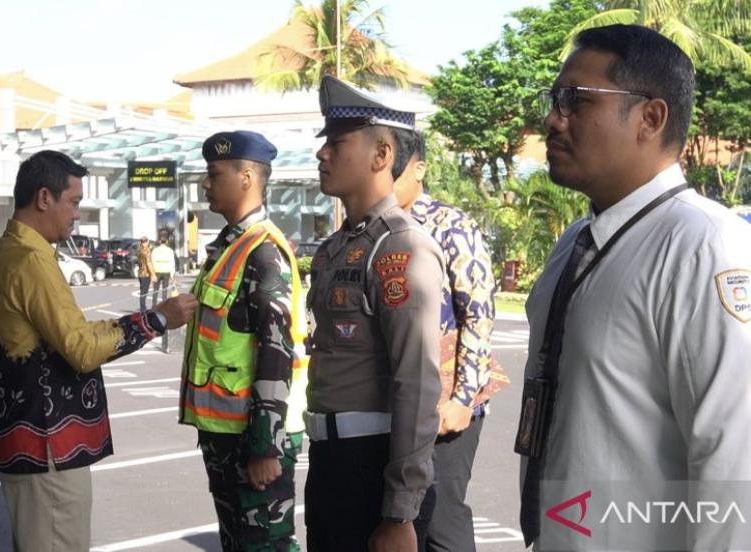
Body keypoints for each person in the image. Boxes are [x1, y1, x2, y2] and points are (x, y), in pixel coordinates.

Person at [517, 24, 751, 551]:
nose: (552, 120)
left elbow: (733, 461)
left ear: (650, 117)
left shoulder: (705, 246)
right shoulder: (577, 242)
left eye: (576, 100)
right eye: (555, 99)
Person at [0, 150, 198, 552]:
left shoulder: (15, 251)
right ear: (44, 198)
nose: (77, 214)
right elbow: (80, 348)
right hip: (46, 447)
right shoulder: (29, 259)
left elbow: (68, 332)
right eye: (74, 202)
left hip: (31, 444)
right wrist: (156, 320)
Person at [304, 76, 444, 552]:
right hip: (330, 460)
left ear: (381, 155)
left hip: (373, 467)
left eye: (337, 144)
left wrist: (400, 509)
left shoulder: (401, 247)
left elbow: (418, 384)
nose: (323, 154)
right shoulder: (335, 249)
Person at [179, 130, 308, 551]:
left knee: (265, 544)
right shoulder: (229, 247)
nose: (205, 183)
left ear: (247, 177)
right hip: (226, 435)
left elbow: (277, 352)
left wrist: (265, 447)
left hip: (254, 439)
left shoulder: (264, 253)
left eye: (214, 174)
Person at [393, 132, 499, 552]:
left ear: (417, 169)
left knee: (440, 519)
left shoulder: (449, 225)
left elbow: (478, 311)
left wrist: (464, 400)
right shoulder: (371, 226)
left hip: (447, 401)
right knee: (399, 519)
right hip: (395, 399)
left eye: (394, 172)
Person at [151, 236, 177, 307]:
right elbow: (172, 263)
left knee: (155, 289)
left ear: (159, 242)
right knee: (164, 290)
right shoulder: (170, 251)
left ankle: (154, 305)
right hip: (166, 271)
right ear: (167, 242)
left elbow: (152, 261)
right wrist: (173, 276)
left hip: (157, 271)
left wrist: (152, 274)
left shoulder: (155, 250)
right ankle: (164, 305)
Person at [137, 236, 156, 312]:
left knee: (142, 291)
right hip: (146, 274)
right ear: (147, 242)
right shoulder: (147, 251)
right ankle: (143, 308)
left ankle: (142, 307)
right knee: (144, 292)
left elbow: (138, 262)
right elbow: (148, 263)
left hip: (140, 273)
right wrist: (153, 274)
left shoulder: (139, 251)